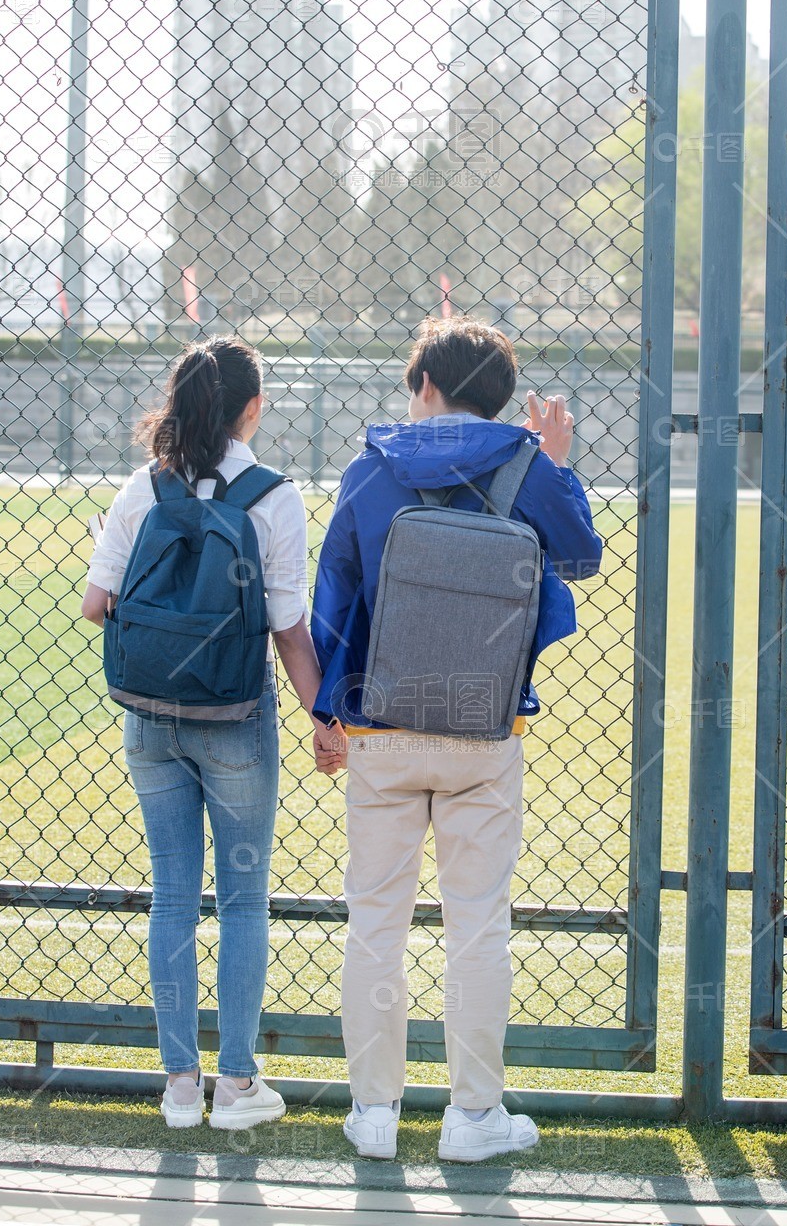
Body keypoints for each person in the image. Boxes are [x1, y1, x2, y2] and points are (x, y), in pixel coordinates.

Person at [311, 315, 603, 1163]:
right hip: (484, 726)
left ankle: (373, 1113)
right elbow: (579, 557)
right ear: (500, 396)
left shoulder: (372, 466)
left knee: (375, 922)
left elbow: (334, 588)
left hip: (382, 721)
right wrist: (553, 461)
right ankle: (473, 1119)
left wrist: (329, 711)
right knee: (478, 924)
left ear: (428, 387)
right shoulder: (523, 462)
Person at [81, 337, 343, 1130]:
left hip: (150, 718)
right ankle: (237, 1085)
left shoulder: (143, 485)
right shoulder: (273, 497)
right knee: (241, 900)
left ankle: (180, 1086)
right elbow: (290, 626)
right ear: (253, 409)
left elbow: (96, 605)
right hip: (234, 719)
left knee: (172, 893)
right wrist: (321, 719)